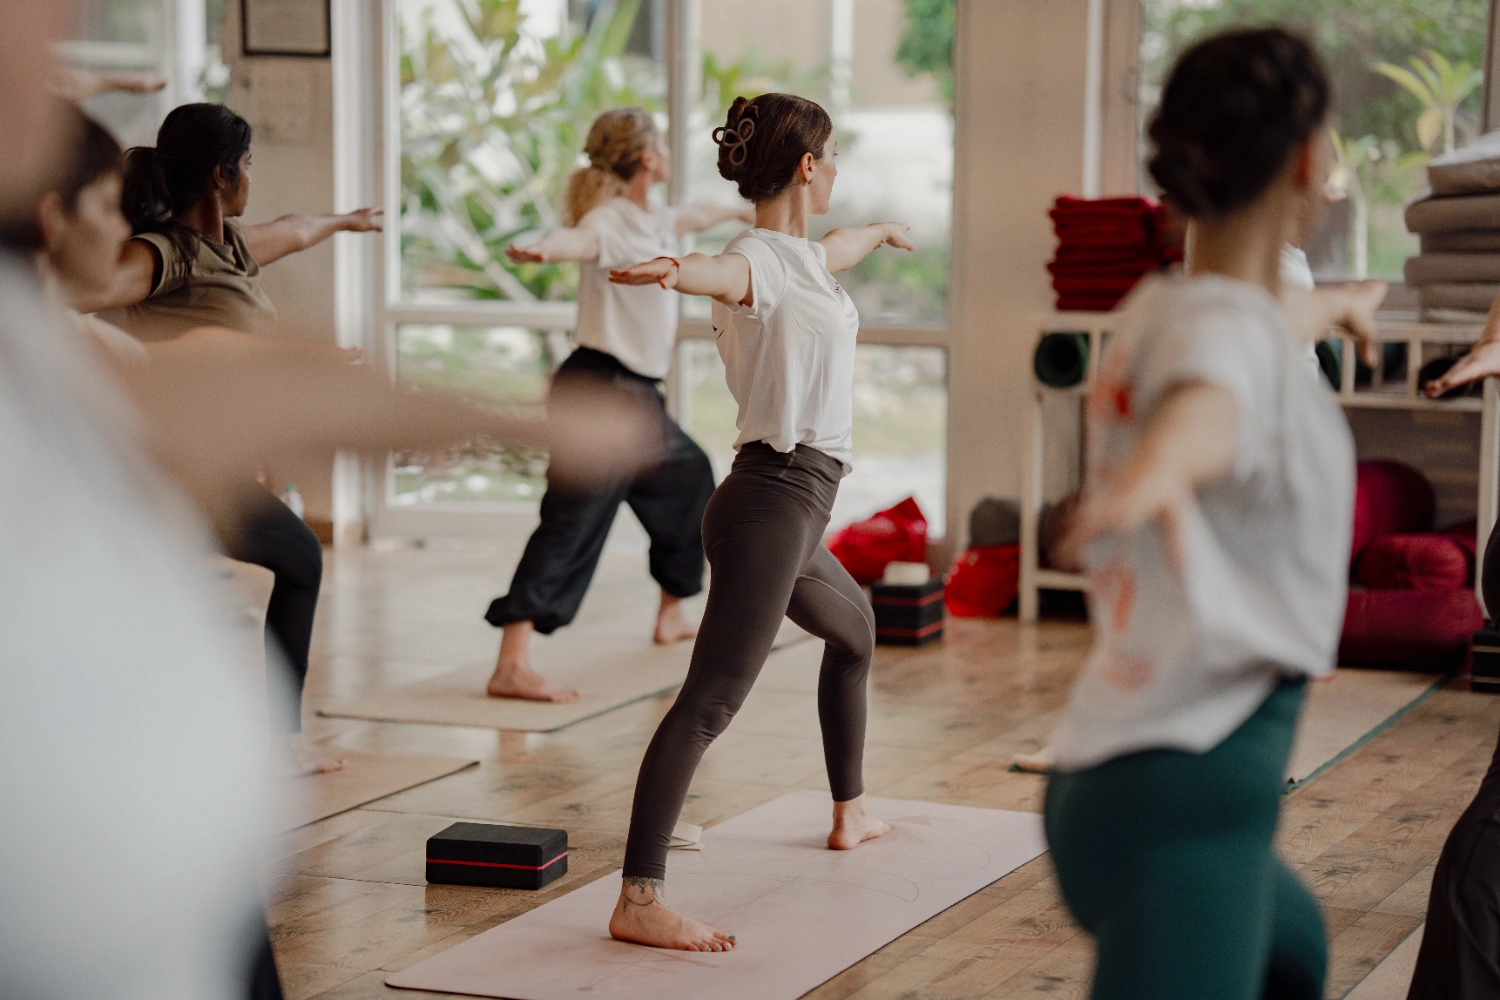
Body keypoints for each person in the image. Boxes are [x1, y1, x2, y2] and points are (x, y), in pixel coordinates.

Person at [1040, 29, 1383, 1000]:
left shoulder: (1163, 305)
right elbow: (1207, 414)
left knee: (1294, 957)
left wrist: (1340, 307)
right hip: (1192, 795)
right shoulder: (1224, 345)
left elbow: (1255, 328)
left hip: (1128, 769)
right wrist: (1143, 480)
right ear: (1311, 162)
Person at [604, 92, 915, 952]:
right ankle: (638, 896)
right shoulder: (759, 263)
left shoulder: (810, 258)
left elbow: (836, 248)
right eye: (835, 154)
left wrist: (882, 229)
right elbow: (721, 270)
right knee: (709, 703)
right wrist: (674, 271)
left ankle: (850, 812)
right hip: (771, 504)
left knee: (855, 636)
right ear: (809, 166)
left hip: (792, 513)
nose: (840, 167)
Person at [75, 102, 381, 774]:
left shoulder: (232, 249)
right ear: (221, 175)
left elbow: (294, 231)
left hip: (204, 466)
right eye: (247, 166)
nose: (251, 178)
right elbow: (83, 293)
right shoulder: (160, 254)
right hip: (167, 466)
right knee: (297, 560)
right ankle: (274, 741)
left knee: (200, 587)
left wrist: (346, 221)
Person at [484, 106, 749, 703]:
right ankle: (512, 661)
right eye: (664, 143)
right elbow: (577, 239)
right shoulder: (608, 218)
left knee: (689, 478)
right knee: (572, 520)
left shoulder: (655, 217)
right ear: (648, 158)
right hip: (599, 388)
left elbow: (696, 214)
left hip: (635, 396)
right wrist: (540, 250)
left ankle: (670, 613)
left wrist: (738, 209)